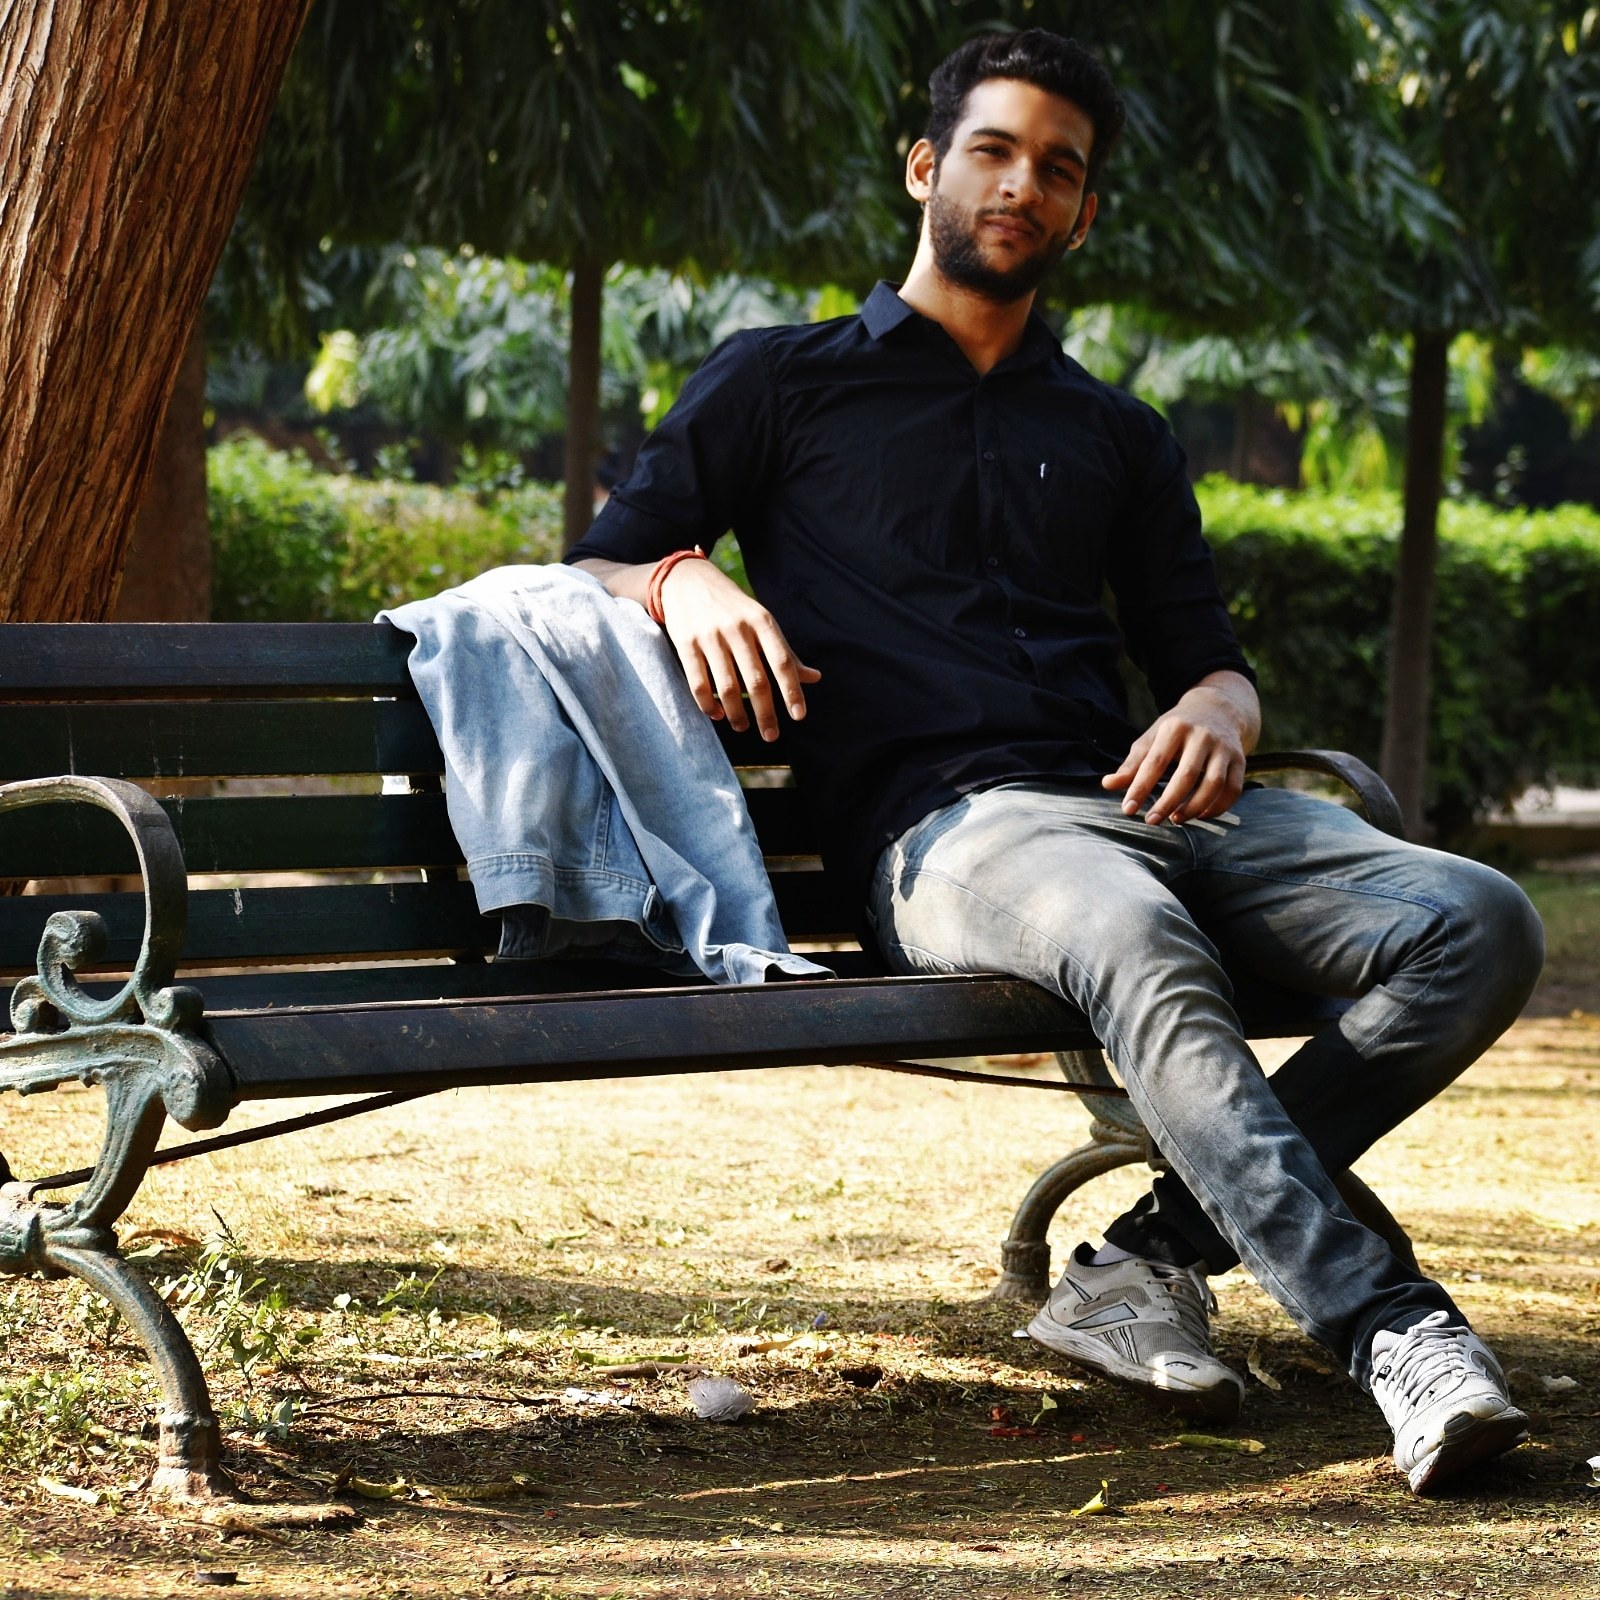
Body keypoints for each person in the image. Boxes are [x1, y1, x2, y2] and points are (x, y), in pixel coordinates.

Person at [568, 29, 1545, 1495]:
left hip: (1145, 798)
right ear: (926, 169)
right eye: (994, 150)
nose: (1022, 184)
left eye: (1059, 168)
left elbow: (1205, 652)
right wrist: (678, 577)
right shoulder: (779, 381)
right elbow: (595, 564)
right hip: (949, 836)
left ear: (1084, 215)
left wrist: (1223, 708)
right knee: (1132, 931)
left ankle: (1145, 1263)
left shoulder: (1115, 433)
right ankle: (1393, 1330)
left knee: (1479, 919)